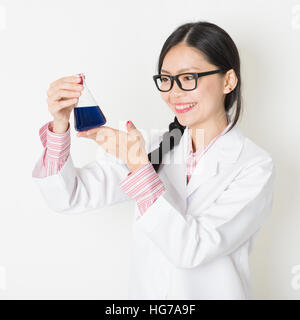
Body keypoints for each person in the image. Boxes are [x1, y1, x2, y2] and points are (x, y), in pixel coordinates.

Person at [32, 21, 275, 299]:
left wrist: (138, 167)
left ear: (228, 80)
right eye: (166, 79)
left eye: (188, 78)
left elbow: (192, 249)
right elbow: (69, 197)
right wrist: (60, 125)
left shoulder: (255, 166)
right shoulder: (156, 147)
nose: (173, 93)